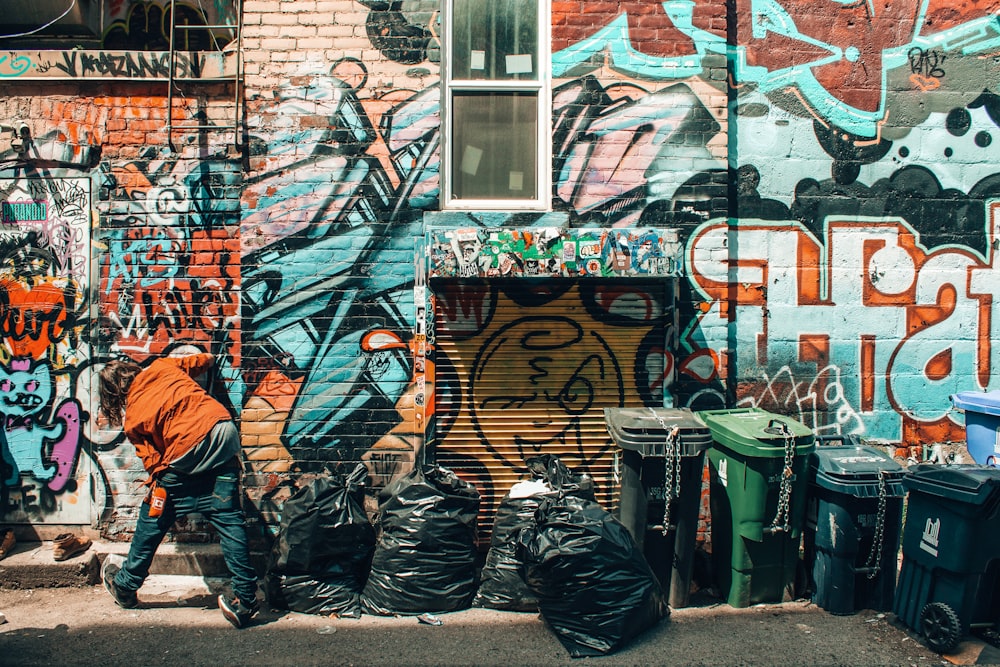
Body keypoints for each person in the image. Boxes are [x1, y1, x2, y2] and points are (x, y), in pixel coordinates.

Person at [97, 353, 260, 628]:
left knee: (152, 518)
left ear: (113, 393)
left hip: (187, 448)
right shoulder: (162, 366)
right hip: (223, 430)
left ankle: (125, 585)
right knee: (230, 520)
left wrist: (160, 494)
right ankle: (245, 601)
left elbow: (154, 464)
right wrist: (211, 357)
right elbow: (199, 360)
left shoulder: (133, 417)